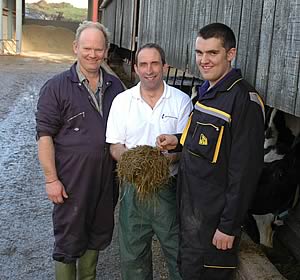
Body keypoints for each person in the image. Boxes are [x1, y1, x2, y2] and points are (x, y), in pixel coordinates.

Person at [156, 23, 265, 279]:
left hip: (213, 224)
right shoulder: (205, 93)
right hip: (191, 212)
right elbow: (207, 140)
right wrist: (178, 141)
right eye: (199, 53)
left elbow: (245, 173)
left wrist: (228, 226)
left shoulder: (243, 101)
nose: (203, 60)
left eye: (212, 53)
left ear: (230, 54)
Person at [36, 21, 124, 280]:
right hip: (71, 180)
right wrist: (51, 179)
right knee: (68, 240)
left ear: (106, 51)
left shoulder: (116, 87)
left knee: (97, 234)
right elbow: (44, 136)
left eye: (98, 49)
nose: (92, 55)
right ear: (75, 47)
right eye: (87, 48)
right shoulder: (57, 87)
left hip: (106, 179)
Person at [106, 43, 193, 279]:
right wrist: (134, 161)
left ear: (164, 66)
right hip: (132, 189)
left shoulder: (181, 101)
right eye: (143, 64)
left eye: (155, 63)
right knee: (133, 256)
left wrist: (165, 158)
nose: (149, 70)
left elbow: (185, 148)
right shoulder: (122, 102)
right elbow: (115, 145)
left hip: (168, 187)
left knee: (176, 251)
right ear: (135, 68)